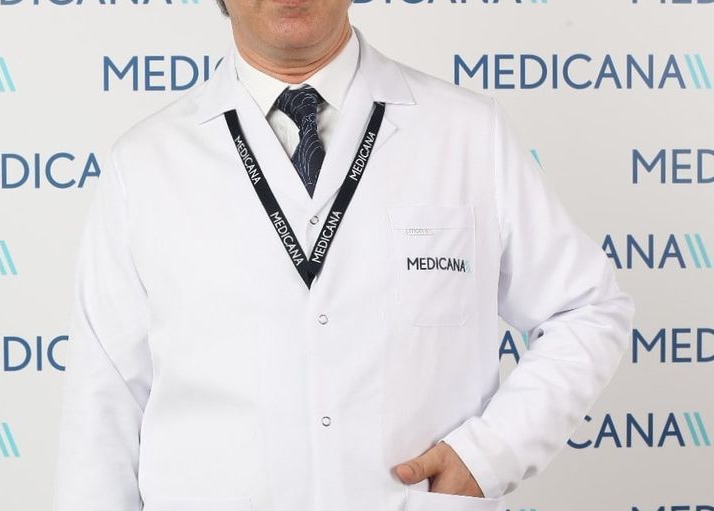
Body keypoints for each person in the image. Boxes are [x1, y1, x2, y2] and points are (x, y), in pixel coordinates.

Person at [51, 0, 635, 510]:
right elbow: (103, 408)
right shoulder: (146, 163)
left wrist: (490, 454)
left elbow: (587, 310)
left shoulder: (467, 133)